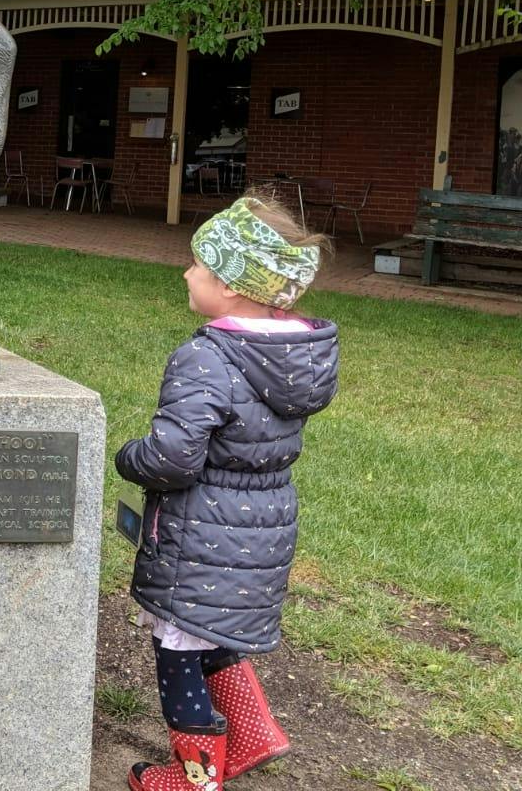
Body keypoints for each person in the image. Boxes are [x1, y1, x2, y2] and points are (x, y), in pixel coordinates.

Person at [117, 195, 338, 791]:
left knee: (178, 652)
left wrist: (128, 458)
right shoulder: (290, 357)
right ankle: (254, 733)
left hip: (201, 533)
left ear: (235, 287)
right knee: (213, 630)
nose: (187, 273)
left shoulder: (205, 357)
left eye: (200, 266)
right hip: (260, 528)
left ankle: (195, 777)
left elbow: (173, 458)